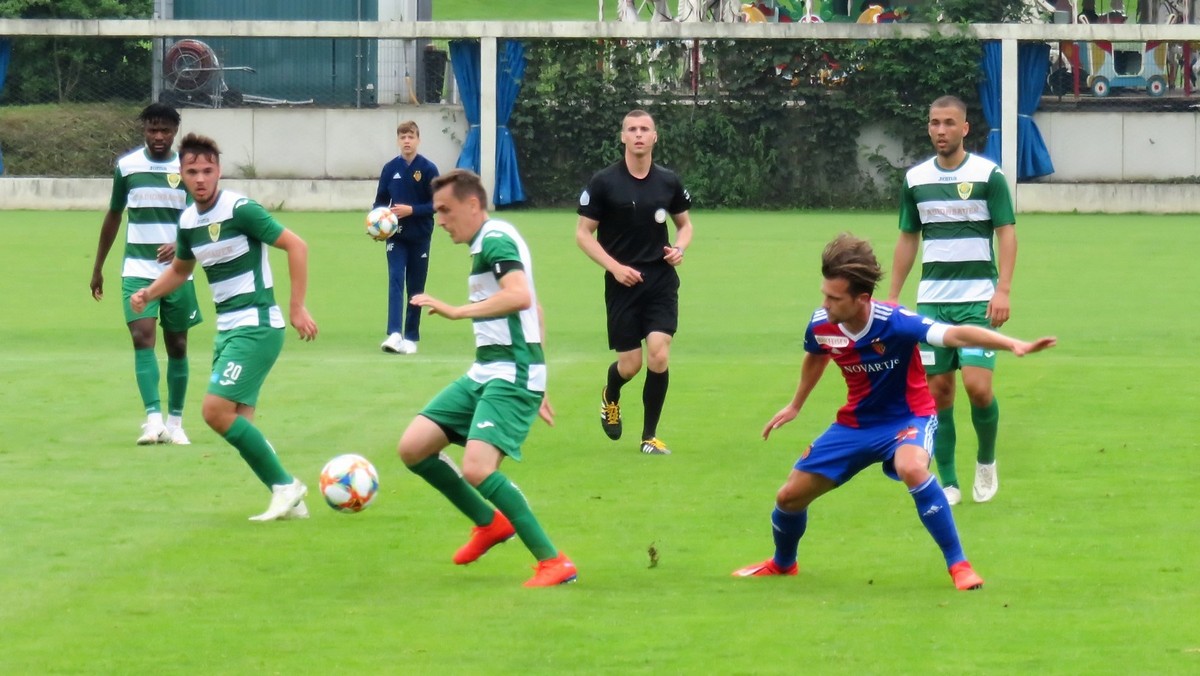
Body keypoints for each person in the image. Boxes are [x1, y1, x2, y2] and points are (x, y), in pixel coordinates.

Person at [733, 234, 1054, 590]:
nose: (825, 304)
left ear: (862, 299)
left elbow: (956, 335)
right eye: (824, 294)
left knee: (911, 467)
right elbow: (817, 355)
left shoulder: (897, 322)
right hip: (855, 425)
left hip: (909, 418)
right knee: (788, 497)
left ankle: (959, 565)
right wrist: (796, 404)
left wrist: (1013, 344)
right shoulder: (822, 323)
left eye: (834, 298)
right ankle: (782, 564)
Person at [398, 168, 576, 588]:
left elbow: (520, 296)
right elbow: (536, 309)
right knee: (414, 448)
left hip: (511, 372)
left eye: (446, 210)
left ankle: (554, 562)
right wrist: (541, 375)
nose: (440, 220)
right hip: (489, 370)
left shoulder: (495, 239)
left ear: (473, 204)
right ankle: (489, 523)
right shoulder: (486, 242)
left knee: (477, 468)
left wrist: (458, 311)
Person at [131, 133, 318, 522]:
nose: (200, 179)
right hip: (228, 329)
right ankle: (292, 503)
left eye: (207, 170)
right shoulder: (188, 221)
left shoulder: (240, 210)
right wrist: (149, 293)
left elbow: (297, 245)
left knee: (215, 411)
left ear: (218, 171)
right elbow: (180, 270)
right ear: (181, 174)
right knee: (240, 425)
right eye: (192, 171)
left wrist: (297, 307)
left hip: (257, 325)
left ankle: (286, 486)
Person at [888, 95, 1018, 507]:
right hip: (932, 305)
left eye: (948, 123)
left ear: (965, 128)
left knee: (978, 388)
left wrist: (1003, 290)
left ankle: (986, 461)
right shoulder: (915, 180)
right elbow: (908, 238)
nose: (940, 130)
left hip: (978, 300)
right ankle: (948, 481)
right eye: (934, 123)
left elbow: (1007, 232)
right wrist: (893, 296)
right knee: (939, 393)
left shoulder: (988, 175)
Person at [575, 109, 694, 456]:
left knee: (659, 353)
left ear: (655, 137)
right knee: (631, 365)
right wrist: (615, 268)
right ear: (623, 136)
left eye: (645, 129)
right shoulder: (604, 182)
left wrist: (679, 249)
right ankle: (611, 393)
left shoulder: (668, 181)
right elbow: (583, 234)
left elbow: (685, 225)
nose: (639, 134)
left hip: (660, 280)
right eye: (632, 129)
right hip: (622, 284)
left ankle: (649, 437)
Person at [91, 103, 200, 445]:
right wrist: (98, 267)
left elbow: (200, 217)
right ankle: (153, 421)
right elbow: (114, 215)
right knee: (142, 337)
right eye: (153, 129)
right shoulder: (127, 167)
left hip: (178, 272)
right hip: (137, 269)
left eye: (165, 130)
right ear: (144, 130)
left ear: (175, 132)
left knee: (178, 345)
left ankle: (176, 423)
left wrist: (179, 244)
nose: (158, 136)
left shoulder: (188, 168)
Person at [373, 121, 440, 354]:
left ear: (418, 140)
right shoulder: (390, 169)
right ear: (398, 141)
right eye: (403, 137)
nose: (407, 141)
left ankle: (411, 337)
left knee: (416, 286)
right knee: (395, 279)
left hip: (420, 235)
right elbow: (380, 203)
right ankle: (394, 333)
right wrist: (377, 226)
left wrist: (412, 210)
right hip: (396, 236)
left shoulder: (428, 169)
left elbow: (436, 204)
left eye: (411, 137)